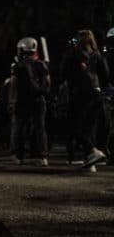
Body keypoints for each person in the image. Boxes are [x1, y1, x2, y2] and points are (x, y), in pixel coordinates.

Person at [61, 29, 110, 171]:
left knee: (75, 126)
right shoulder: (98, 55)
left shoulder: (72, 54)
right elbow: (106, 77)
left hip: (79, 94)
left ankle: (93, 152)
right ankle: (91, 162)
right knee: (90, 128)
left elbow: (63, 73)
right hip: (97, 94)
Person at [9, 37, 51, 167]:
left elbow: (13, 85)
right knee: (40, 128)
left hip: (23, 100)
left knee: (19, 128)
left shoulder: (18, 66)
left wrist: (11, 102)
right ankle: (42, 156)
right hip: (39, 100)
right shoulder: (42, 64)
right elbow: (48, 82)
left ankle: (18, 155)